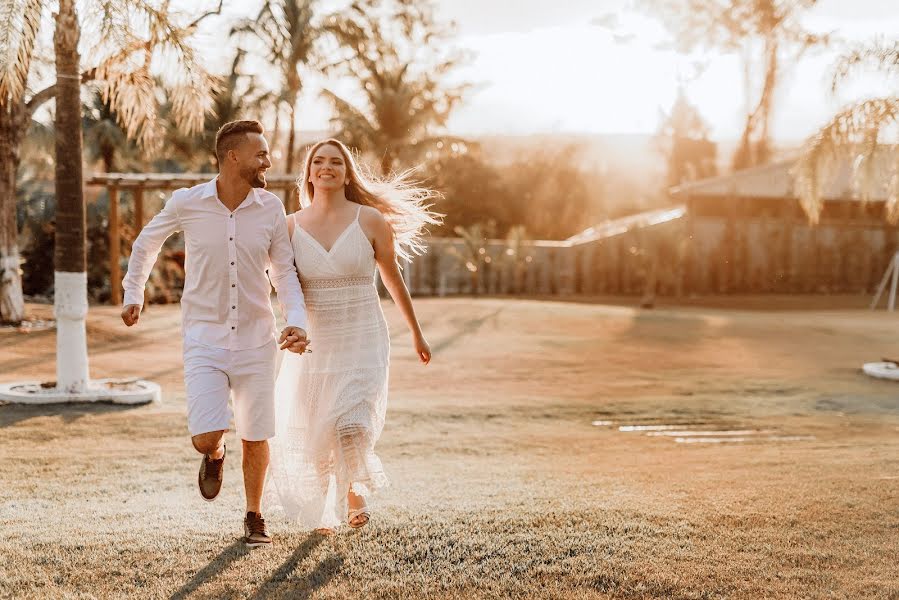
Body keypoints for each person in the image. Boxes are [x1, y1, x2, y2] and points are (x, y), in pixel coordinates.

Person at [121, 120, 309, 548]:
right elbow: (146, 242)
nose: (268, 160)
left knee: (256, 432)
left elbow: (284, 272)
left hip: (259, 339)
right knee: (206, 436)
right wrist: (135, 292)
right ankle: (215, 453)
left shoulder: (271, 209)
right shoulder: (188, 202)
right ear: (233, 157)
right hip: (204, 339)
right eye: (261, 153)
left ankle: (255, 516)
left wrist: (296, 319)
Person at [265, 138, 439, 533]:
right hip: (314, 345)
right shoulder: (289, 226)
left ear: (347, 173)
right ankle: (323, 511)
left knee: (352, 424)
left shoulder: (369, 220)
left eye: (336, 162)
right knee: (317, 432)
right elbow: (282, 285)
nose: (327, 167)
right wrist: (287, 328)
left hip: (363, 336)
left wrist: (416, 332)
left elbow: (394, 281)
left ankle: (356, 498)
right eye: (319, 162)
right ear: (308, 172)